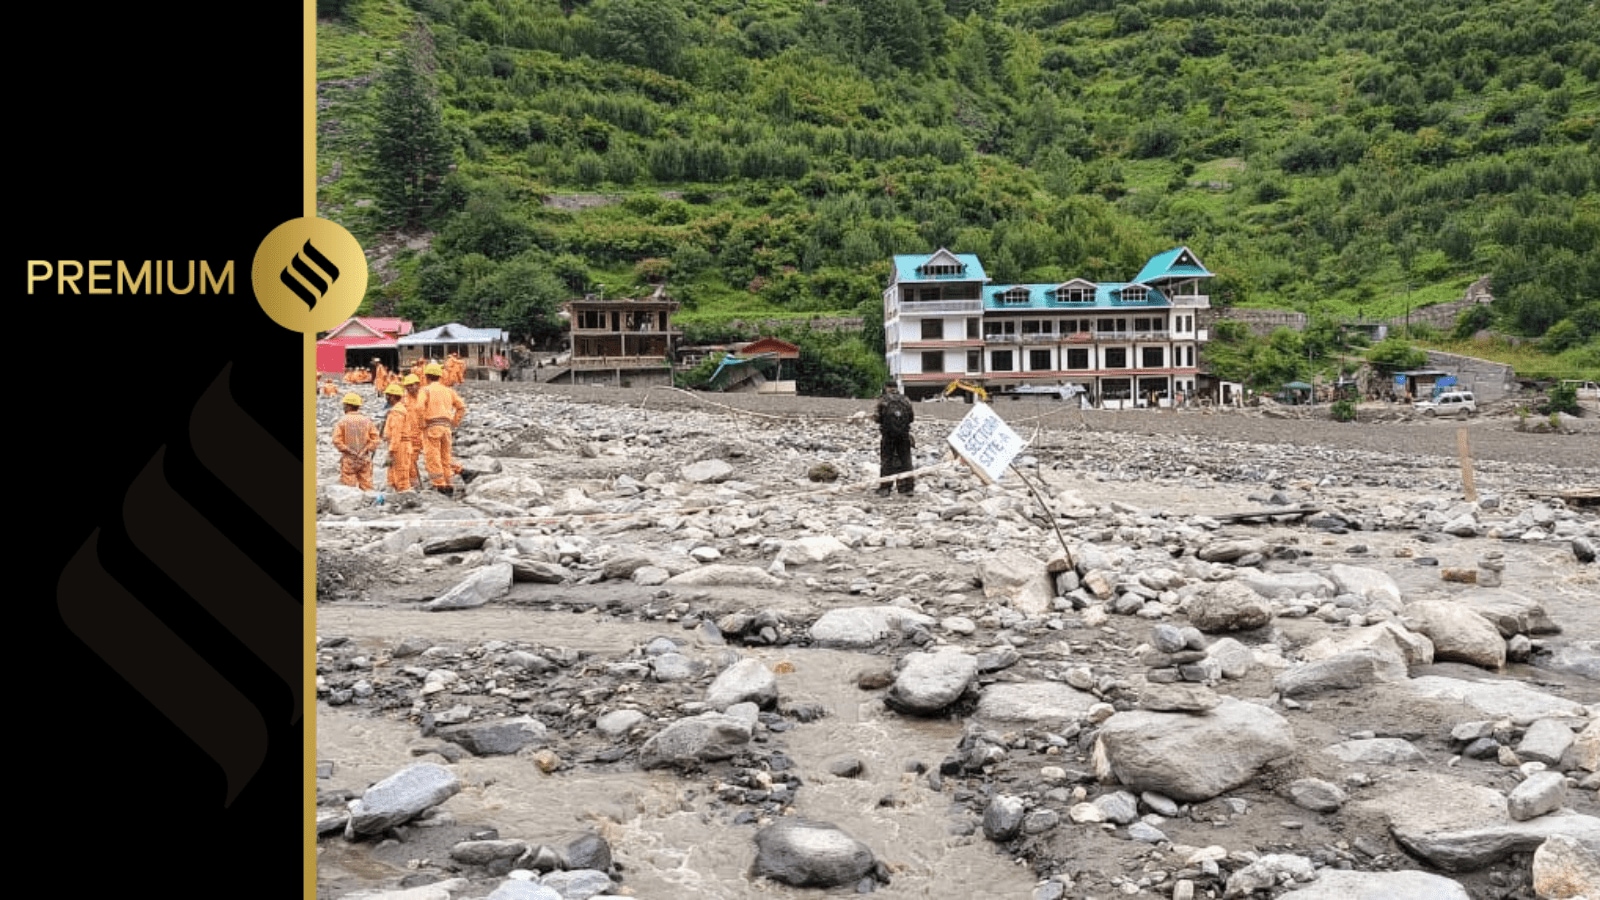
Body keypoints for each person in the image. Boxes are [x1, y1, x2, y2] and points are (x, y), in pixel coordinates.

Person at [417, 362, 467, 494]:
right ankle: (449, 482)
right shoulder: (448, 391)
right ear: (440, 376)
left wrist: (421, 422)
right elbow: (461, 407)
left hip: (432, 426)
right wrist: (454, 422)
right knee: (445, 456)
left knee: (433, 457)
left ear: (426, 376)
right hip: (446, 427)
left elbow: (419, 407)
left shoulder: (425, 390)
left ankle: (440, 485)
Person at [873, 381, 915, 495]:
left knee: (887, 460)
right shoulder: (905, 399)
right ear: (896, 388)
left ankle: (885, 488)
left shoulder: (883, 400)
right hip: (904, 435)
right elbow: (911, 418)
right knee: (906, 460)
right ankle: (907, 488)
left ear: (886, 388)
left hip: (888, 435)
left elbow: (877, 418)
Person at [331, 392, 380, 490]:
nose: (343, 407)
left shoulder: (342, 421)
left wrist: (348, 450)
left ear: (348, 406)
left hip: (349, 459)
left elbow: (336, 440)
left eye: (344, 405)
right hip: (364, 458)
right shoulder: (367, 421)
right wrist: (365, 450)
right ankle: (369, 504)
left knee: (349, 489)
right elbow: (376, 439)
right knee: (367, 486)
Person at [379, 382, 413, 492]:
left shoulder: (397, 413)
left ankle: (404, 496)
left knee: (401, 475)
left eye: (387, 395)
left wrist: (391, 451)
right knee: (392, 475)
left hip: (400, 447)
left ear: (393, 396)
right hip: (399, 445)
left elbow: (396, 434)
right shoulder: (397, 410)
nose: (386, 397)